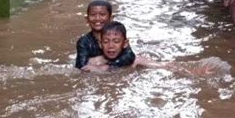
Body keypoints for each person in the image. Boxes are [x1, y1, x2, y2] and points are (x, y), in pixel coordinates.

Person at [87, 21, 223, 76]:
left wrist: (195, 71)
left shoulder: (136, 60)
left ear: (125, 43)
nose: (111, 46)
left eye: (116, 41)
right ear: (100, 44)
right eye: (106, 42)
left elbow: (165, 66)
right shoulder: (95, 62)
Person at [75, 0, 136, 71]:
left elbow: (130, 56)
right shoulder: (84, 42)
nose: (97, 18)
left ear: (111, 17)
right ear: (87, 19)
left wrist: (106, 65)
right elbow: (81, 65)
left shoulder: (118, 35)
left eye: (102, 14)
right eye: (93, 15)